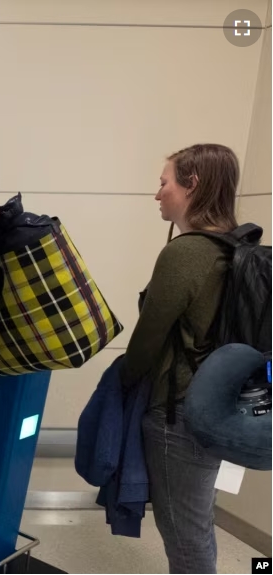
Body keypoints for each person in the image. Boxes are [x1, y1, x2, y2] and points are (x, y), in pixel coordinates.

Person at [122, 143, 240, 574]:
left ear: (192, 184)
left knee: (185, 538)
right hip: (218, 407)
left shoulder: (187, 252)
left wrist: (123, 385)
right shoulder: (236, 247)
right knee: (197, 522)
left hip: (178, 414)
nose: (158, 194)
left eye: (164, 182)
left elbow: (146, 341)